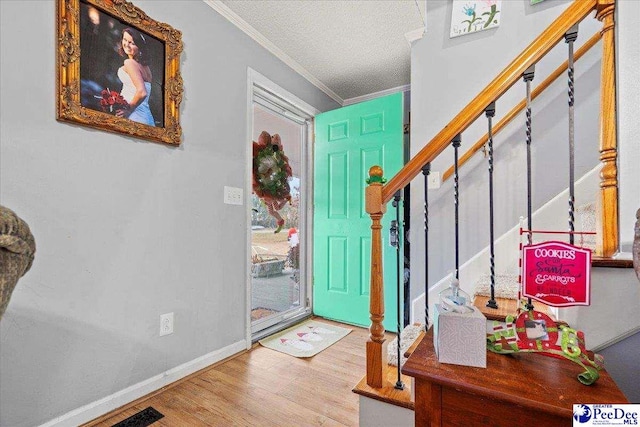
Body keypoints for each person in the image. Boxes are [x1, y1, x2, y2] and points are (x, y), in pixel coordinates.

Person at [115, 28, 155, 126]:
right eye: (125, 40)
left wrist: (128, 110)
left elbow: (142, 92)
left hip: (134, 115)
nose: (126, 45)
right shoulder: (146, 67)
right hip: (146, 116)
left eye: (132, 43)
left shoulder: (129, 63)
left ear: (140, 46)